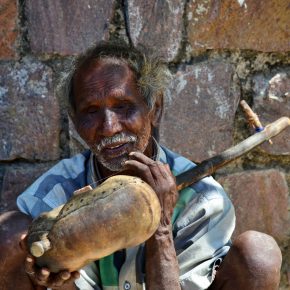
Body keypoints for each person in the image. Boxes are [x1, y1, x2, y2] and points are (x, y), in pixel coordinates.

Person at [0, 41, 282, 290]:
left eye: (123, 106)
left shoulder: (204, 200)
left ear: (154, 108)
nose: (109, 128)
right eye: (91, 112)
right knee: (10, 235)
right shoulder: (53, 196)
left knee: (259, 255)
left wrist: (159, 225)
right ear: (75, 123)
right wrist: (57, 270)